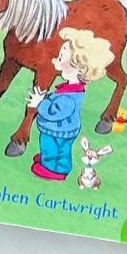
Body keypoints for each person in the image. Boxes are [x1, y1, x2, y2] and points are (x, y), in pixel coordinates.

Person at [29, 28, 114, 181]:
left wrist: (39, 103)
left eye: (61, 57)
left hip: (56, 130)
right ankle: (60, 165)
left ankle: (51, 168)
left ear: (77, 67)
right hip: (67, 129)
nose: (57, 61)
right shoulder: (73, 90)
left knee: (50, 147)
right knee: (62, 149)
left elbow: (54, 112)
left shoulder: (68, 97)